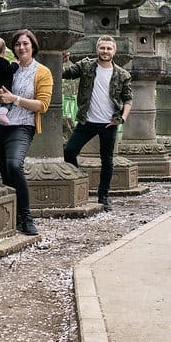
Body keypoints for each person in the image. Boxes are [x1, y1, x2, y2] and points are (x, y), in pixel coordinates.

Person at [0, 29, 52, 236]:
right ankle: (12, 218)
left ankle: (27, 217)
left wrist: (15, 99)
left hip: (22, 125)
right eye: (17, 44)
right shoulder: (6, 67)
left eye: (25, 43)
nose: (21, 47)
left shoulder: (42, 72)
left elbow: (42, 105)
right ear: (11, 48)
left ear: (33, 46)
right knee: (5, 173)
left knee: (15, 165)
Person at [60, 35, 132, 211]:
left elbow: (128, 99)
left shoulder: (122, 75)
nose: (105, 51)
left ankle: (103, 195)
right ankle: (79, 184)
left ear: (114, 51)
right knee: (69, 151)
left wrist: (121, 119)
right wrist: (62, 61)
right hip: (87, 121)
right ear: (97, 49)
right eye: (102, 48)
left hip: (109, 123)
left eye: (109, 48)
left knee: (107, 160)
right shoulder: (86, 66)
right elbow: (66, 74)